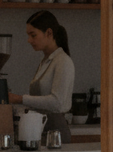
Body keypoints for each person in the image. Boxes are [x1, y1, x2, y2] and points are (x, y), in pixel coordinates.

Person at [8, 10, 75, 143]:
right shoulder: (46, 61)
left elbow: (57, 102)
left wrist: (20, 99)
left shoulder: (63, 61)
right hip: (39, 127)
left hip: (55, 131)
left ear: (49, 33)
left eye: (33, 35)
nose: (29, 40)